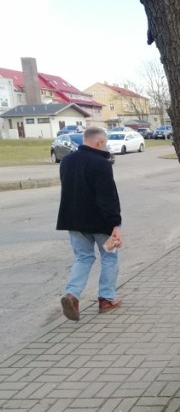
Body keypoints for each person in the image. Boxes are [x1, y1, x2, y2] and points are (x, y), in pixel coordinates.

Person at [56, 126, 123, 321]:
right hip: (100, 222)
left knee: (83, 258)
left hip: (73, 220)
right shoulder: (101, 163)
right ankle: (106, 299)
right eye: (105, 143)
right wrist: (115, 224)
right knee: (110, 257)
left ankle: (72, 295)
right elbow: (106, 197)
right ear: (99, 142)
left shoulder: (67, 160)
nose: (106, 147)